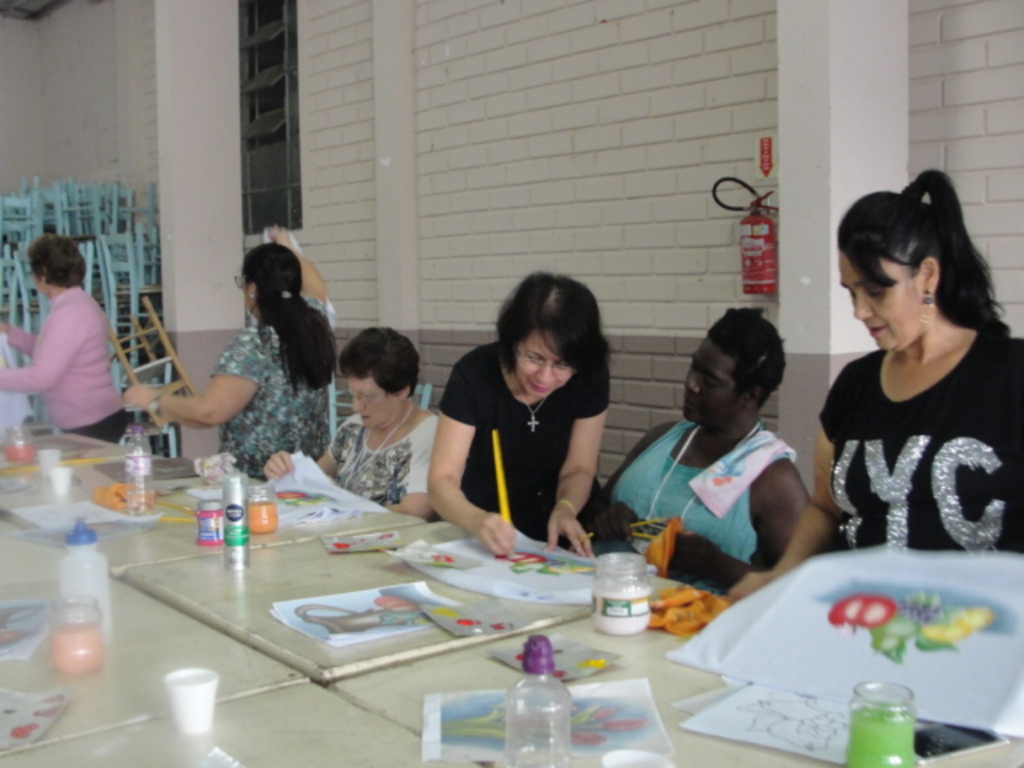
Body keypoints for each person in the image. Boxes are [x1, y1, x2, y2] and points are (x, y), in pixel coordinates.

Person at [731, 169, 1020, 601]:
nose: (860, 312)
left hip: (983, 636)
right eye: (851, 293)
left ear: (927, 276)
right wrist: (782, 575)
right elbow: (826, 508)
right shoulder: (856, 384)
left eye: (876, 292)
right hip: (868, 624)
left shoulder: (1010, 375)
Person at [586, 308, 808, 594]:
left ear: (751, 394)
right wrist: (607, 516)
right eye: (694, 368)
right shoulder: (662, 437)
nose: (691, 384)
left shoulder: (773, 478)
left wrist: (717, 565)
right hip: (608, 603)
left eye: (710, 381)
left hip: (692, 624)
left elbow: (800, 585)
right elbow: (593, 508)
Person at [123, 227, 336, 478]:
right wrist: (286, 247)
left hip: (260, 483)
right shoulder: (314, 324)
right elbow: (316, 287)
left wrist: (153, 398)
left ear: (252, 289)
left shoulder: (254, 344)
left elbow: (209, 412)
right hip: (310, 475)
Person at [428, 271, 610, 557]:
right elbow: (441, 481)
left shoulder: (590, 375)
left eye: (562, 365)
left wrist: (566, 508)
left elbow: (580, 468)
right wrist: (475, 520)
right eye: (534, 358)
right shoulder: (474, 374)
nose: (545, 377)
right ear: (512, 342)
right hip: (485, 527)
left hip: (559, 531)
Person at [263, 327, 436, 519]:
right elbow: (313, 478)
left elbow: (414, 513)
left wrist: (347, 503)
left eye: (366, 397)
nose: (355, 407)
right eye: (352, 394)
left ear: (401, 391)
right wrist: (286, 469)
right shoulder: (353, 428)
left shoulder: (429, 435)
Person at [0, 234, 129, 442]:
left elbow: (42, 377)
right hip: (92, 418)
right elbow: (53, 353)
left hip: (91, 421)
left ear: (42, 274)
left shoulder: (70, 312)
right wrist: (11, 333)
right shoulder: (75, 303)